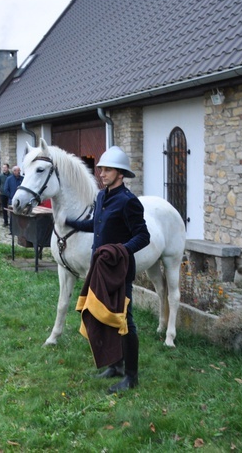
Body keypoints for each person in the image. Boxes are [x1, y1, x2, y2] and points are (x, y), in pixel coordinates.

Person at [65, 146, 150, 393]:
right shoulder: (102, 197)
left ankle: (131, 377)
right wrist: (71, 222)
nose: (101, 173)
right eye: (101, 168)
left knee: (124, 320)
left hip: (120, 270)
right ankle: (115, 366)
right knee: (104, 315)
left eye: (107, 169)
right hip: (100, 269)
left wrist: (121, 250)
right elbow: (97, 224)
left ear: (120, 173)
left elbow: (143, 236)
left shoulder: (129, 202)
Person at [3, 165, 24, 235]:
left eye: (19, 170)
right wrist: (12, 197)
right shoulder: (9, 179)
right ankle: (12, 230)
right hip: (12, 200)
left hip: (21, 201)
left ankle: (21, 230)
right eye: (18, 171)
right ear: (14, 171)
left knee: (21, 215)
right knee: (12, 216)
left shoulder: (22, 179)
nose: (19, 172)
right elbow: (5, 190)